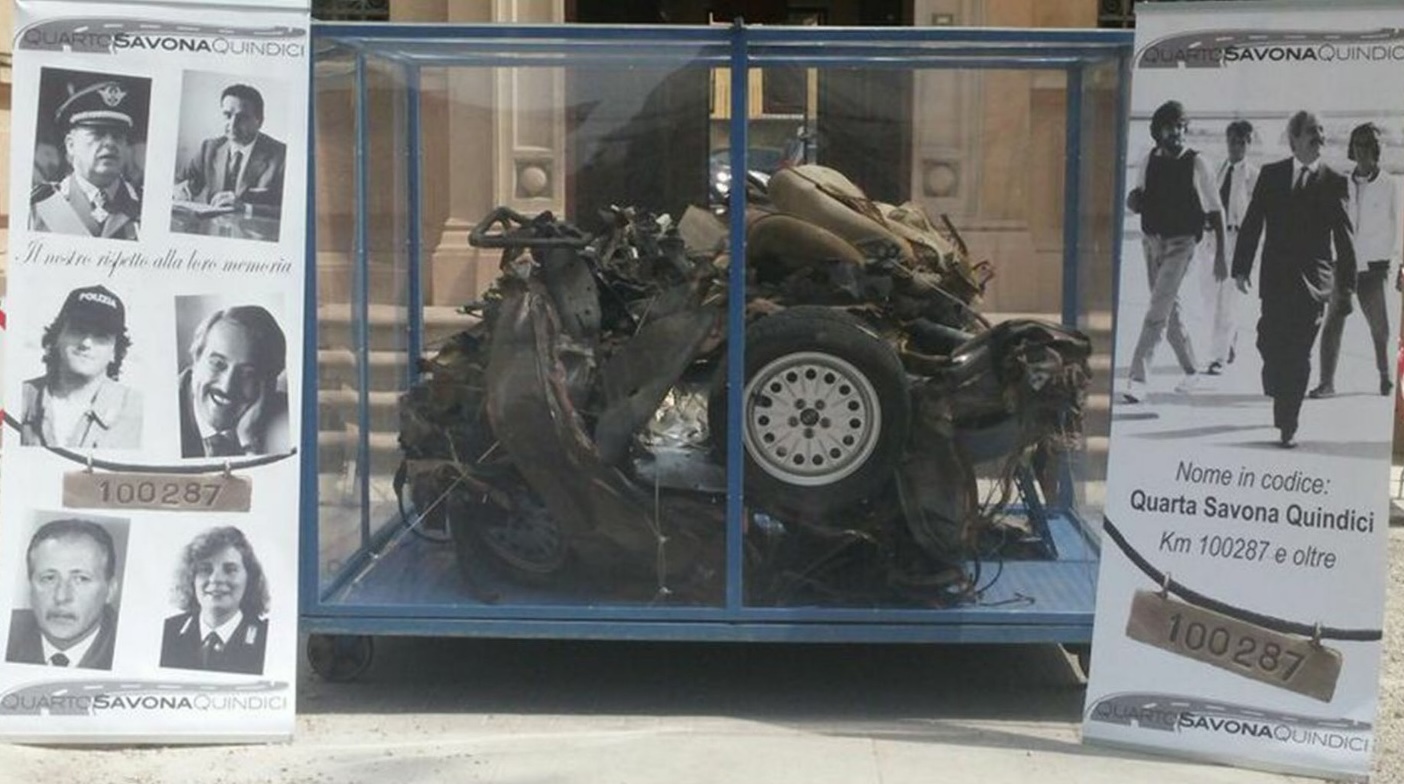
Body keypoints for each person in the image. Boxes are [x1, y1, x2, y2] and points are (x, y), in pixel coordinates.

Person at [1233, 111, 1356, 448]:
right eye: (1312, 131)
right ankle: (1278, 387)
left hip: (1314, 285)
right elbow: (1253, 222)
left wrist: (1346, 288)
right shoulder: (1272, 175)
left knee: (1299, 354)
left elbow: (1345, 239)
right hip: (1275, 280)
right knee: (1269, 342)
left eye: (1322, 131)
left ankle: (1289, 424)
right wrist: (1241, 267)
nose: (1320, 137)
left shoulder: (1334, 181)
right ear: (1294, 139)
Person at [1121, 100, 1226, 403]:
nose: (1177, 132)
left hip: (1182, 243)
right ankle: (1192, 370)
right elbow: (1137, 198)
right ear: (1158, 131)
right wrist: (1133, 201)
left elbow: (1215, 209)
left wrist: (1222, 256)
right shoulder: (1149, 160)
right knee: (1169, 308)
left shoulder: (1197, 162)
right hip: (1152, 241)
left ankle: (1137, 379)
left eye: (1181, 126)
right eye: (1171, 127)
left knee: (1157, 310)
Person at [1309, 122, 1399, 399]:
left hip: (1375, 268)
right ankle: (1326, 383)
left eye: (1368, 145)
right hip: (1344, 266)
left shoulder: (1390, 185)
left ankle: (1385, 377)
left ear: (1377, 149)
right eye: (1358, 144)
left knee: (1380, 328)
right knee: (1333, 323)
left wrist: (1397, 265)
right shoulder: (1342, 183)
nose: (1362, 150)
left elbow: (1399, 226)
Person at [20, 284, 143, 449]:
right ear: (57, 337)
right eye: (78, 330)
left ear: (115, 351)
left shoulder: (138, 410)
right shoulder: (19, 396)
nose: (86, 343)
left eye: (101, 335)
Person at [30, 79, 143, 239]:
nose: (110, 143)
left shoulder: (145, 207)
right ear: (71, 145)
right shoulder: (39, 207)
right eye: (97, 134)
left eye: (117, 136)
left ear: (126, 146)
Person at [6, 519, 121, 670]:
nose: (61, 597)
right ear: (30, 586)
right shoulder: (9, 632)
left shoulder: (130, 647)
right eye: (49, 578)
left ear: (110, 591)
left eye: (81, 579)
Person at [178, 304, 290, 458]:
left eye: (248, 374)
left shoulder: (285, 419)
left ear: (269, 384)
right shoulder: (161, 410)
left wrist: (250, 442)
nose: (227, 386)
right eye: (218, 364)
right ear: (196, 359)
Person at [160, 526, 269, 675]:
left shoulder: (267, 637)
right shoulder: (168, 632)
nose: (216, 579)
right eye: (205, 569)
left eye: (230, 570)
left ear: (249, 578)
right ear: (191, 578)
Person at [1203, 120, 1260, 375]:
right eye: (1232, 141)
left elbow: (1258, 218)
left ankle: (1218, 357)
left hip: (1239, 241)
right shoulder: (1218, 171)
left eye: (1241, 142)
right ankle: (1228, 340)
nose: (1236, 147)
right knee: (1211, 298)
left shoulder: (1254, 177)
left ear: (1248, 144)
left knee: (1228, 301)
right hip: (1215, 239)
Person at [173, 84, 285, 211]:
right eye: (227, 115)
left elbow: (287, 209)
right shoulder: (209, 148)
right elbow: (180, 181)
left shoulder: (282, 156)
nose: (232, 125)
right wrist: (180, 190)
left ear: (259, 121)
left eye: (242, 117)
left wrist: (246, 208)